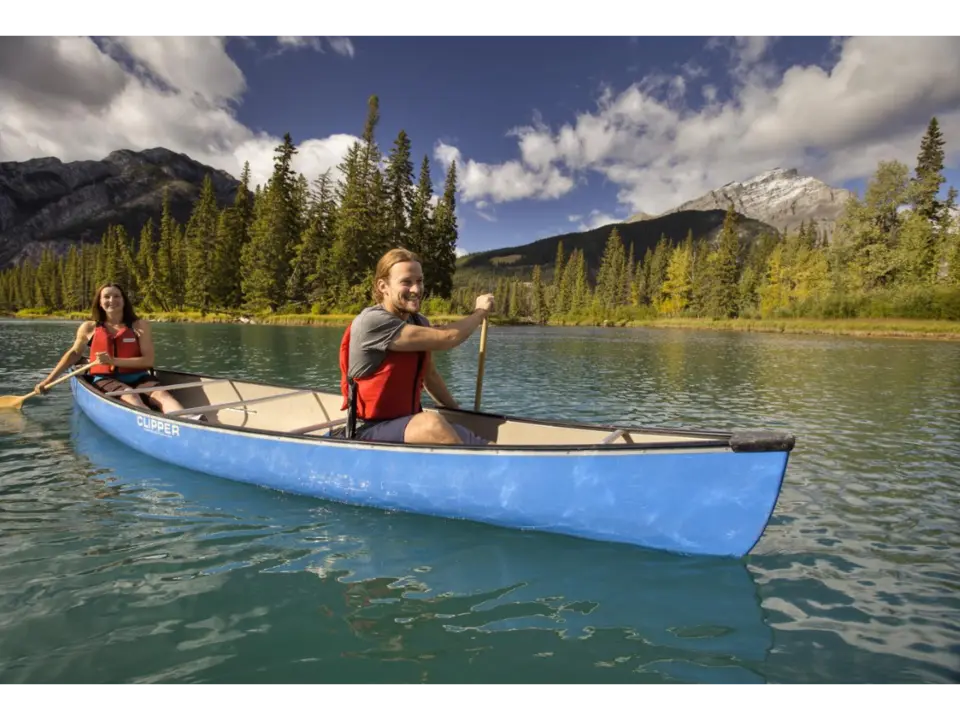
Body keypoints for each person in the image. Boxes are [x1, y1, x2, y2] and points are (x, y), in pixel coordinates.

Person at [337, 248, 495, 445]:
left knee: (481, 442)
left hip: (406, 424)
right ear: (383, 286)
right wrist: (480, 312)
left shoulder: (419, 321)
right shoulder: (372, 322)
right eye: (406, 282)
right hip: (367, 430)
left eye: (419, 281)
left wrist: (461, 414)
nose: (416, 289)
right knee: (432, 424)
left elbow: (430, 377)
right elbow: (448, 337)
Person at [34, 282, 205, 420]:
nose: (112, 300)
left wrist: (112, 361)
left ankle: (189, 421)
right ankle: (153, 422)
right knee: (131, 397)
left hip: (139, 376)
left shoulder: (140, 326)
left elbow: (148, 362)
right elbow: (74, 354)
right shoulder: (89, 327)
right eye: (106, 297)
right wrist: (48, 380)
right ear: (100, 302)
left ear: (124, 300)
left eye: (117, 296)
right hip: (105, 379)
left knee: (162, 394)